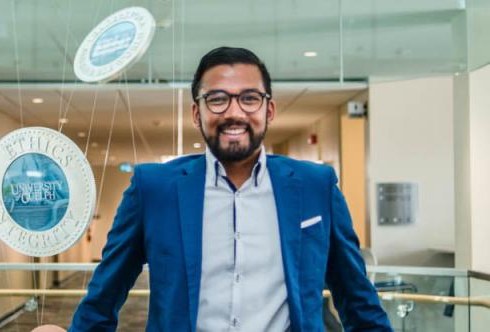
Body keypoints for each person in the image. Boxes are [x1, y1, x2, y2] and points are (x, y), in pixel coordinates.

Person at [69, 47, 392, 331]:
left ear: (269, 110)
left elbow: (357, 298)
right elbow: (104, 295)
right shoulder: (153, 188)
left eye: (250, 98)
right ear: (198, 113)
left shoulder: (315, 185)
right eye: (218, 99)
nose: (235, 113)